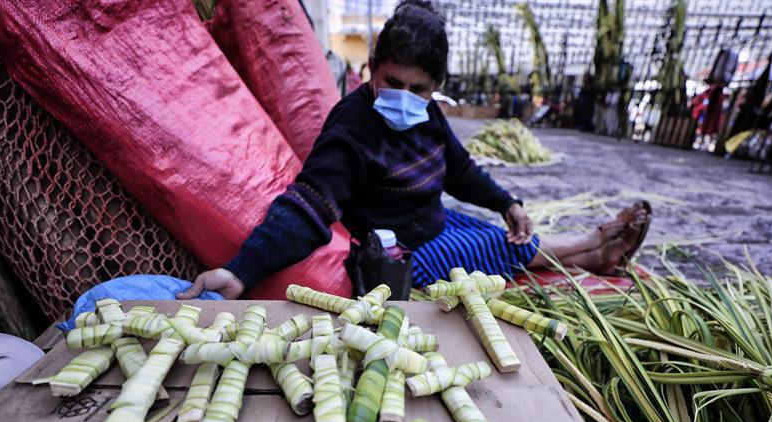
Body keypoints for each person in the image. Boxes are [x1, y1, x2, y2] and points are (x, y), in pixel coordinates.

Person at [179, 0, 650, 301]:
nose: (404, 97)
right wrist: (241, 271)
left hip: (431, 217)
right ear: (371, 68)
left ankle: (592, 253)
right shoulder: (353, 124)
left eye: (419, 89)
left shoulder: (429, 114)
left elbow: (460, 170)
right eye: (393, 83)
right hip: (392, 248)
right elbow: (309, 204)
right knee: (487, 244)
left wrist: (508, 203)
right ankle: (589, 247)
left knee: (498, 231)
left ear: (436, 87)